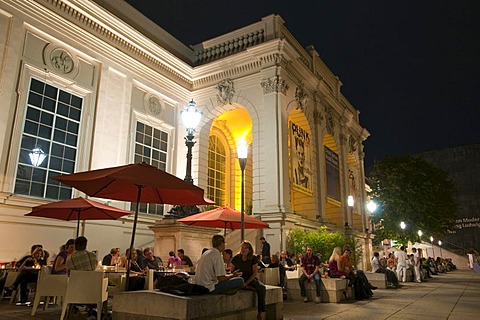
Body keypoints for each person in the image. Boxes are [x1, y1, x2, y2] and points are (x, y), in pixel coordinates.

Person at [232, 241, 266, 320]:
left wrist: (246, 283)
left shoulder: (253, 259)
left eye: (246, 248)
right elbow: (231, 271)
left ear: (249, 250)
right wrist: (234, 274)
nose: (243, 250)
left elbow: (254, 274)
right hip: (239, 278)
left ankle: (260, 312)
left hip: (250, 278)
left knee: (261, 288)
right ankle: (246, 287)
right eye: (242, 248)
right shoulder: (236, 258)